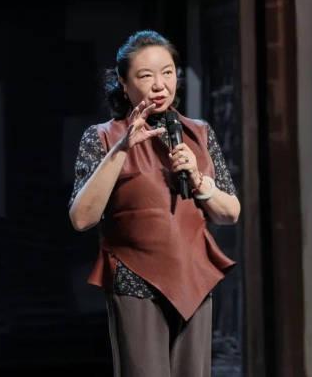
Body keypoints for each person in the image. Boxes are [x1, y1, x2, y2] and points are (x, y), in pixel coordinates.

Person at [68, 30, 240, 376]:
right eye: (146, 75)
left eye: (167, 72)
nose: (160, 84)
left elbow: (230, 212)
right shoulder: (102, 137)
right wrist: (122, 149)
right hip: (136, 279)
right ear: (124, 83)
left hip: (194, 277)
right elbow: (82, 218)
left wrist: (198, 180)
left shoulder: (199, 133)